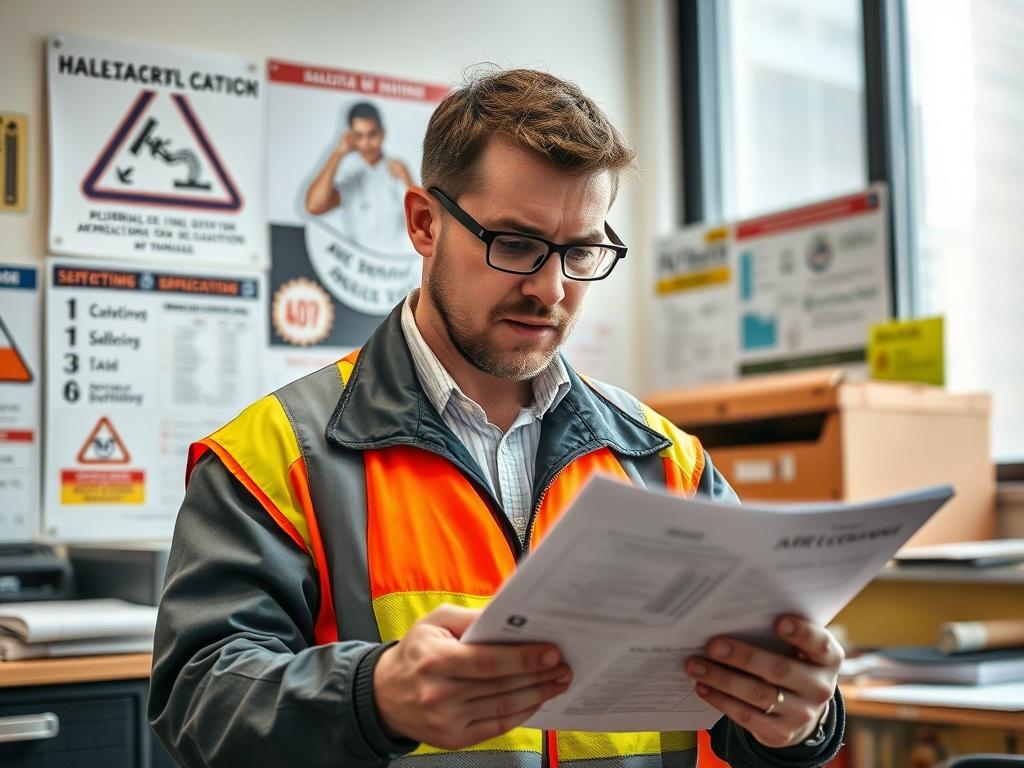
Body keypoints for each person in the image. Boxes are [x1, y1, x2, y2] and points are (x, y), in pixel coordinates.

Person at [150, 69, 845, 768]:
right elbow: (198, 703)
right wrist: (374, 697)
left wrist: (795, 722)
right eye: (514, 243)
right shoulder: (274, 456)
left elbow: (741, 706)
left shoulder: (665, 460)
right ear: (424, 223)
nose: (551, 289)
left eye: (580, 252)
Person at [304, 101, 413, 253]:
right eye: (359, 136)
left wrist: (408, 181)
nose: (367, 143)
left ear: (383, 133)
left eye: (372, 134)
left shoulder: (398, 170)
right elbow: (314, 206)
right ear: (351, 137)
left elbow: (422, 222)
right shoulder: (351, 177)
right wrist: (339, 152)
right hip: (361, 270)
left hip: (397, 269)